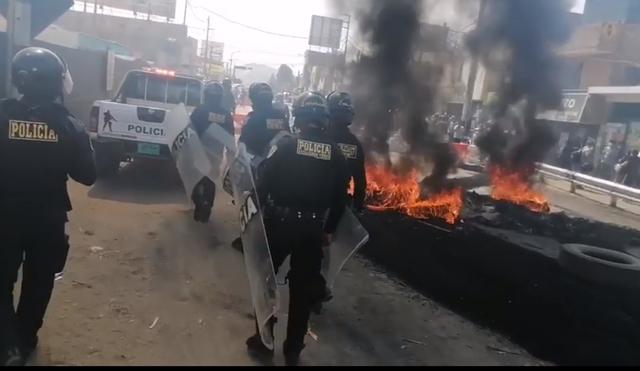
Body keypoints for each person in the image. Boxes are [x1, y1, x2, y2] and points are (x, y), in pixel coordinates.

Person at [0, 47, 97, 366]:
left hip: (5, 215)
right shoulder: (68, 125)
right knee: (39, 282)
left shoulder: (2, 114)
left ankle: (7, 344)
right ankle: (25, 340)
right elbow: (86, 175)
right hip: (48, 218)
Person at [245, 92, 349, 366]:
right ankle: (293, 349)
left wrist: (254, 213)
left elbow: (263, 182)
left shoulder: (288, 146)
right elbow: (342, 198)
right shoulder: (336, 154)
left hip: (280, 225)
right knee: (302, 292)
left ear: (299, 118)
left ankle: (264, 339)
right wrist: (328, 229)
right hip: (313, 230)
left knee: (265, 279)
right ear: (324, 121)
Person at [189, 81, 235, 223]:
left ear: (206, 95)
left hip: (199, 151)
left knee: (195, 180)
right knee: (210, 181)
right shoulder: (226, 115)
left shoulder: (199, 110)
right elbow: (230, 138)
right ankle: (207, 205)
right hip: (216, 154)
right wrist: (230, 157)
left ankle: (200, 203)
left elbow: (190, 130)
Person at [327, 91, 366, 213]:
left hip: (313, 198)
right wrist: (358, 205)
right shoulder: (354, 143)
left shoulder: (321, 136)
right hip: (339, 204)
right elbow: (360, 181)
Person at [239, 83, 289, 158]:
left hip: (257, 162)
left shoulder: (252, 118)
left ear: (254, 99)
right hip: (277, 161)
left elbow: (243, 141)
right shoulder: (280, 116)